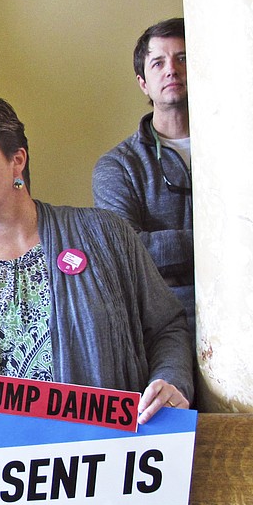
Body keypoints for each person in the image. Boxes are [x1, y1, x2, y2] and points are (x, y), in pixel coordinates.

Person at [0, 95, 193, 425]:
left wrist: (169, 382)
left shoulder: (104, 234)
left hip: (108, 455)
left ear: (17, 160)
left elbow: (168, 327)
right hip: (6, 465)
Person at [92, 17, 194, 332]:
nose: (171, 70)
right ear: (143, 83)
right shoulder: (118, 166)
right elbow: (125, 251)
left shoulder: (241, 151)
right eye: (158, 63)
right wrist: (213, 244)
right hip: (168, 319)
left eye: (183, 58)